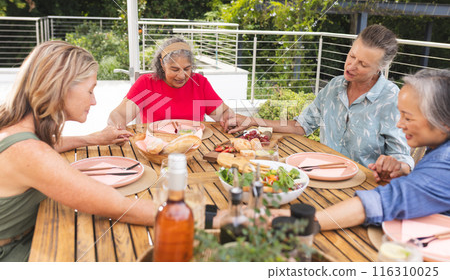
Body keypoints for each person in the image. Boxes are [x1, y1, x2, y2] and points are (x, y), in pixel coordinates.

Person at [0, 41, 155, 262]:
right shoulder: (28, 151)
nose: (94, 101)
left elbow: (49, 144)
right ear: (60, 87)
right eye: (90, 90)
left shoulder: (14, 126)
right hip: (14, 251)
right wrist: (206, 216)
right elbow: (122, 208)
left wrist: (94, 139)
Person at [224, 25, 414, 180]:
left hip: (365, 185)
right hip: (322, 176)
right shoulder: (334, 86)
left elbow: (402, 159)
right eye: (352, 55)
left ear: (380, 68)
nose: (351, 65)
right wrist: (252, 121)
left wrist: (396, 166)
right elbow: (300, 126)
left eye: (363, 64)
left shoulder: (391, 99)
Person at [316, 69, 450, 230]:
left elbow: (382, 202)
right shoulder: (438, 147)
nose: (399, 124)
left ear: (443, 122)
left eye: (407, 118)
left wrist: (304, 222)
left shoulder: (444, 161)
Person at [108, 37, 234, 128]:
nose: (181, 75)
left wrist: (229, 119)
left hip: (194, 146)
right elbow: (119, 114)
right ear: (162, 64)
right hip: (155, 147)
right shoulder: (146, 83)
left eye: (187, 69)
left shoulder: (200, 83)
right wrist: (117, 125)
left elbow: (223, 113)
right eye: (175, 69)